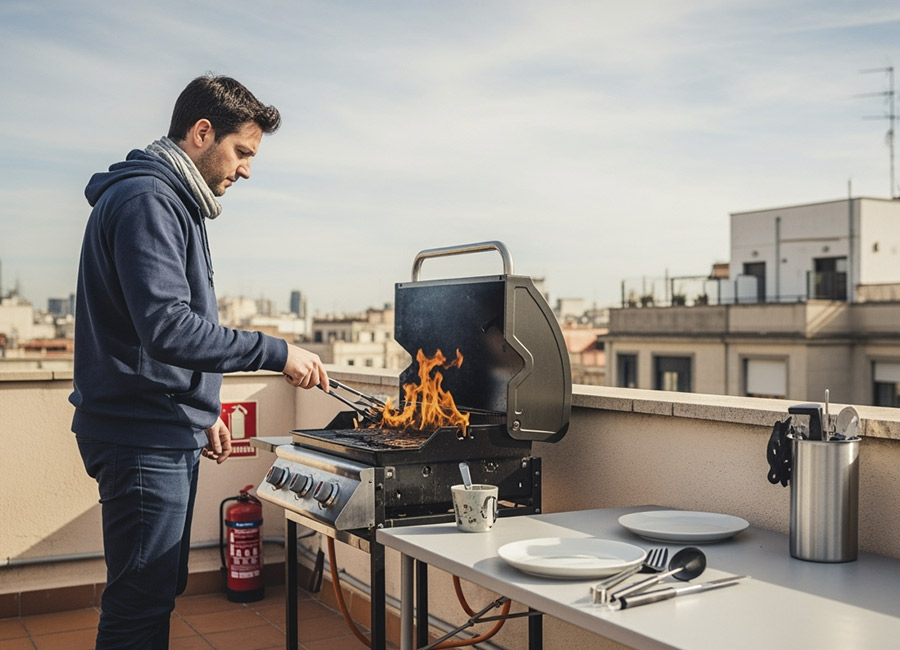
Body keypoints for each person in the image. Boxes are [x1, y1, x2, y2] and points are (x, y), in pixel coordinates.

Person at [69, 74, 328, 649]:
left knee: (154, 590)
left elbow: (149, 335)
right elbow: (169, 329)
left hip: (156, 424)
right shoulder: (149, 200)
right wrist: (278, 352)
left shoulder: (168, 199)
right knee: (139, 603)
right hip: (141, 438)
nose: (246, 170)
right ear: (202, 133)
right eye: (242, 152)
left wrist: (198, 405)